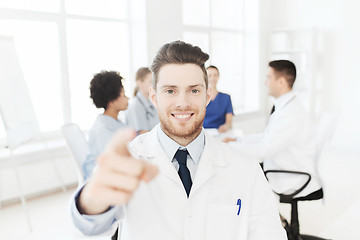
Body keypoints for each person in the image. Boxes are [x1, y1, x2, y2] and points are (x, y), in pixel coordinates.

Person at [70, 41, 286, 240]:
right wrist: (91, 201)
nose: (182, 103)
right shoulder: (131, 160)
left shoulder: (245, 169)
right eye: (170, 90)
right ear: (154, 97)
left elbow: (270, 234)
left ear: (207, 96)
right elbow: (91, 226)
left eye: (193, 90)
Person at [225, 60, 322, 198]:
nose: (266, 82)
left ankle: (263, 217)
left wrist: (230, 146)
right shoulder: (286, 107)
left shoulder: (290, 114)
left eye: (269, 77)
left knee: (238, 177)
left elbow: (262, 151)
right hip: (284, 166)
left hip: (291, 176)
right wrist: (238, 139)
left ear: (281, 82)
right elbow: (267, 136)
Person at [82, 71, 129, 180]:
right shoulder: (103, 128)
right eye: (124, 95)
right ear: (112, 101)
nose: (128, 99)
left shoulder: (114, 121)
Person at [125, 67, 159, 134]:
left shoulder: (151, 103)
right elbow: (143, 134)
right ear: (139, 83)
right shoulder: (136, 106)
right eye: (150, 82)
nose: (154, 86)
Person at [203, 65, 234, 132]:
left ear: (218, 77)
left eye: (215, 75)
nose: (213, 78)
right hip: (204, 133)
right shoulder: (200, 98)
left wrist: (226, 126)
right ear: (205, 78)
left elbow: (229, 122)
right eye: (209, 76)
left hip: (220, 133)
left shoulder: (226, 98)